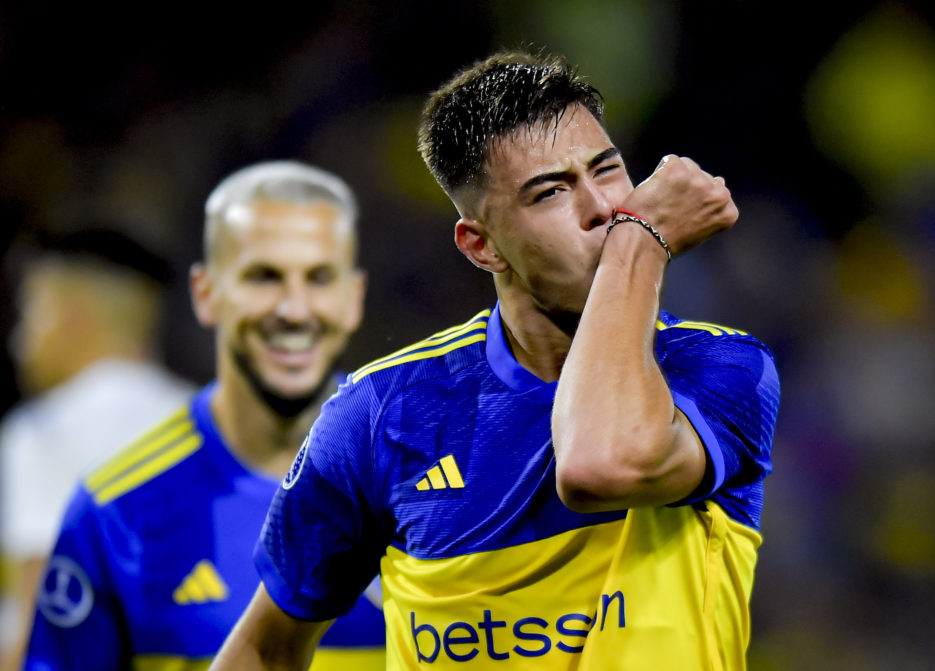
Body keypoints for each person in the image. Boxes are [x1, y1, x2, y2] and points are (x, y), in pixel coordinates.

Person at [214, 51, 780, 670]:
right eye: (550, 192)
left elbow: (604, 462)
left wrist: (636, 249)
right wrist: (642, 242)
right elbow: (266, 650)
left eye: (609, 170)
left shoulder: (720, 369)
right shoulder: (379, 414)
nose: (605, 210)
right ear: (481, 246)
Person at [21, 161, 386, 670]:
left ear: (353, 298)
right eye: (264, 277)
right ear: (206, 293)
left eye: (319, 278)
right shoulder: (117, 512)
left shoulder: (435, 481)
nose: (296, 309)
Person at [0, 227, 195, 668]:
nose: (18, 339)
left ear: (73, 315)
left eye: (30, 311)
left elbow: (44, 611)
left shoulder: (47, 431)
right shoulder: (209, 423)